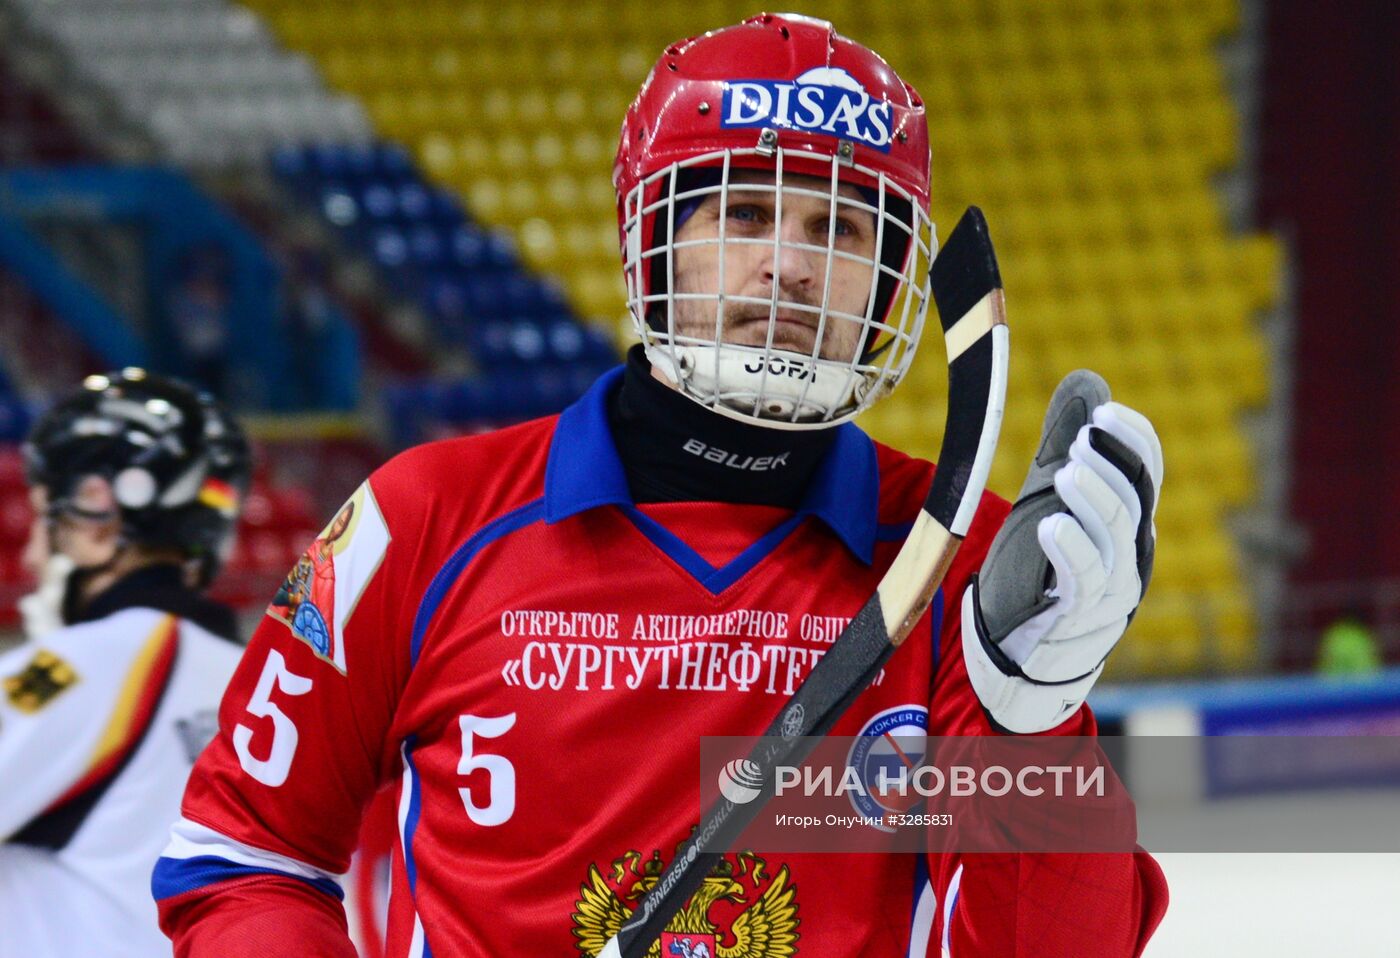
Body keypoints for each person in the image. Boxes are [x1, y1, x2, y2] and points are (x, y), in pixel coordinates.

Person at [154, 14, 1167, 957]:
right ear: (653, 239)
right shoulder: (421, 517)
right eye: (743, 211)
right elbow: (241, 854)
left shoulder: (964, 566)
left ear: (892, 276)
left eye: (842, 229)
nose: (790, 266)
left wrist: (1034, 717)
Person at [0, 369, 251, 957]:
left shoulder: (78, 667)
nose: (35, 555)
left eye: (46, 519)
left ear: (98, 514)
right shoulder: (257, 680)